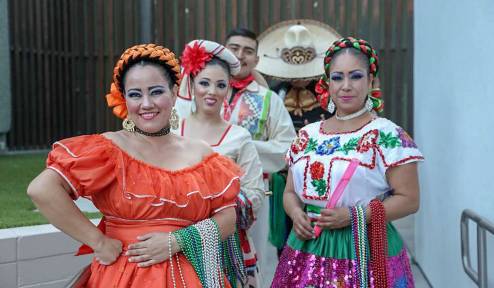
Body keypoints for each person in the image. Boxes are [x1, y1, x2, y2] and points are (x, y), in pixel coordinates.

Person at [27, 44, 242, 288]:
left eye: (156, 91)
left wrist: (177, 240)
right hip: (123, 276)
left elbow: (228, 219)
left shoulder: (201, 153)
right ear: (124, 98)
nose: (146, 103)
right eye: (135, 94)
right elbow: (42, 189)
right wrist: (98, 242)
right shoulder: (108, 149)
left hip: (190, 277)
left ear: (174, 92)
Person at [271, 37, 423, 288]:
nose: (346, 86)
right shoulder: (308, 135)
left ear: (371, 81)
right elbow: (289, 192)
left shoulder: (387, 135)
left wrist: (354, 216)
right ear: (327, 83)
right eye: (338, 77)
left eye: (355, 76)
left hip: (366, 247)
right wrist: (296, 213)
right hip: (307, 246)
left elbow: (410, 200)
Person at [175, 28, 296, 283]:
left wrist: (239, 149)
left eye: (248, 50)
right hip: (182, 217)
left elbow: (287, 147)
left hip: (246, 195)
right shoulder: (182, 111)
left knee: (251, 255)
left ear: (256, 59)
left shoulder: (267, 100)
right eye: (235, 48)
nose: (240, 55)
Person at [174, 39, 265, 287]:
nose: (212, 91)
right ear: (192, 84)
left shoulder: (239, 137)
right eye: (204, 83)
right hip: (175, 242)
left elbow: (255, 193)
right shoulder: (172, 130)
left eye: (220, 85)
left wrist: (213, 204)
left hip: (227, 246)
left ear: (228, 89)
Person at [256, 20, 339, 256]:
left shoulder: (329, 91)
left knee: (322, 231)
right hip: (286, 174)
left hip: (325, 172)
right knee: (287, 234)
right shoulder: (276, 92)